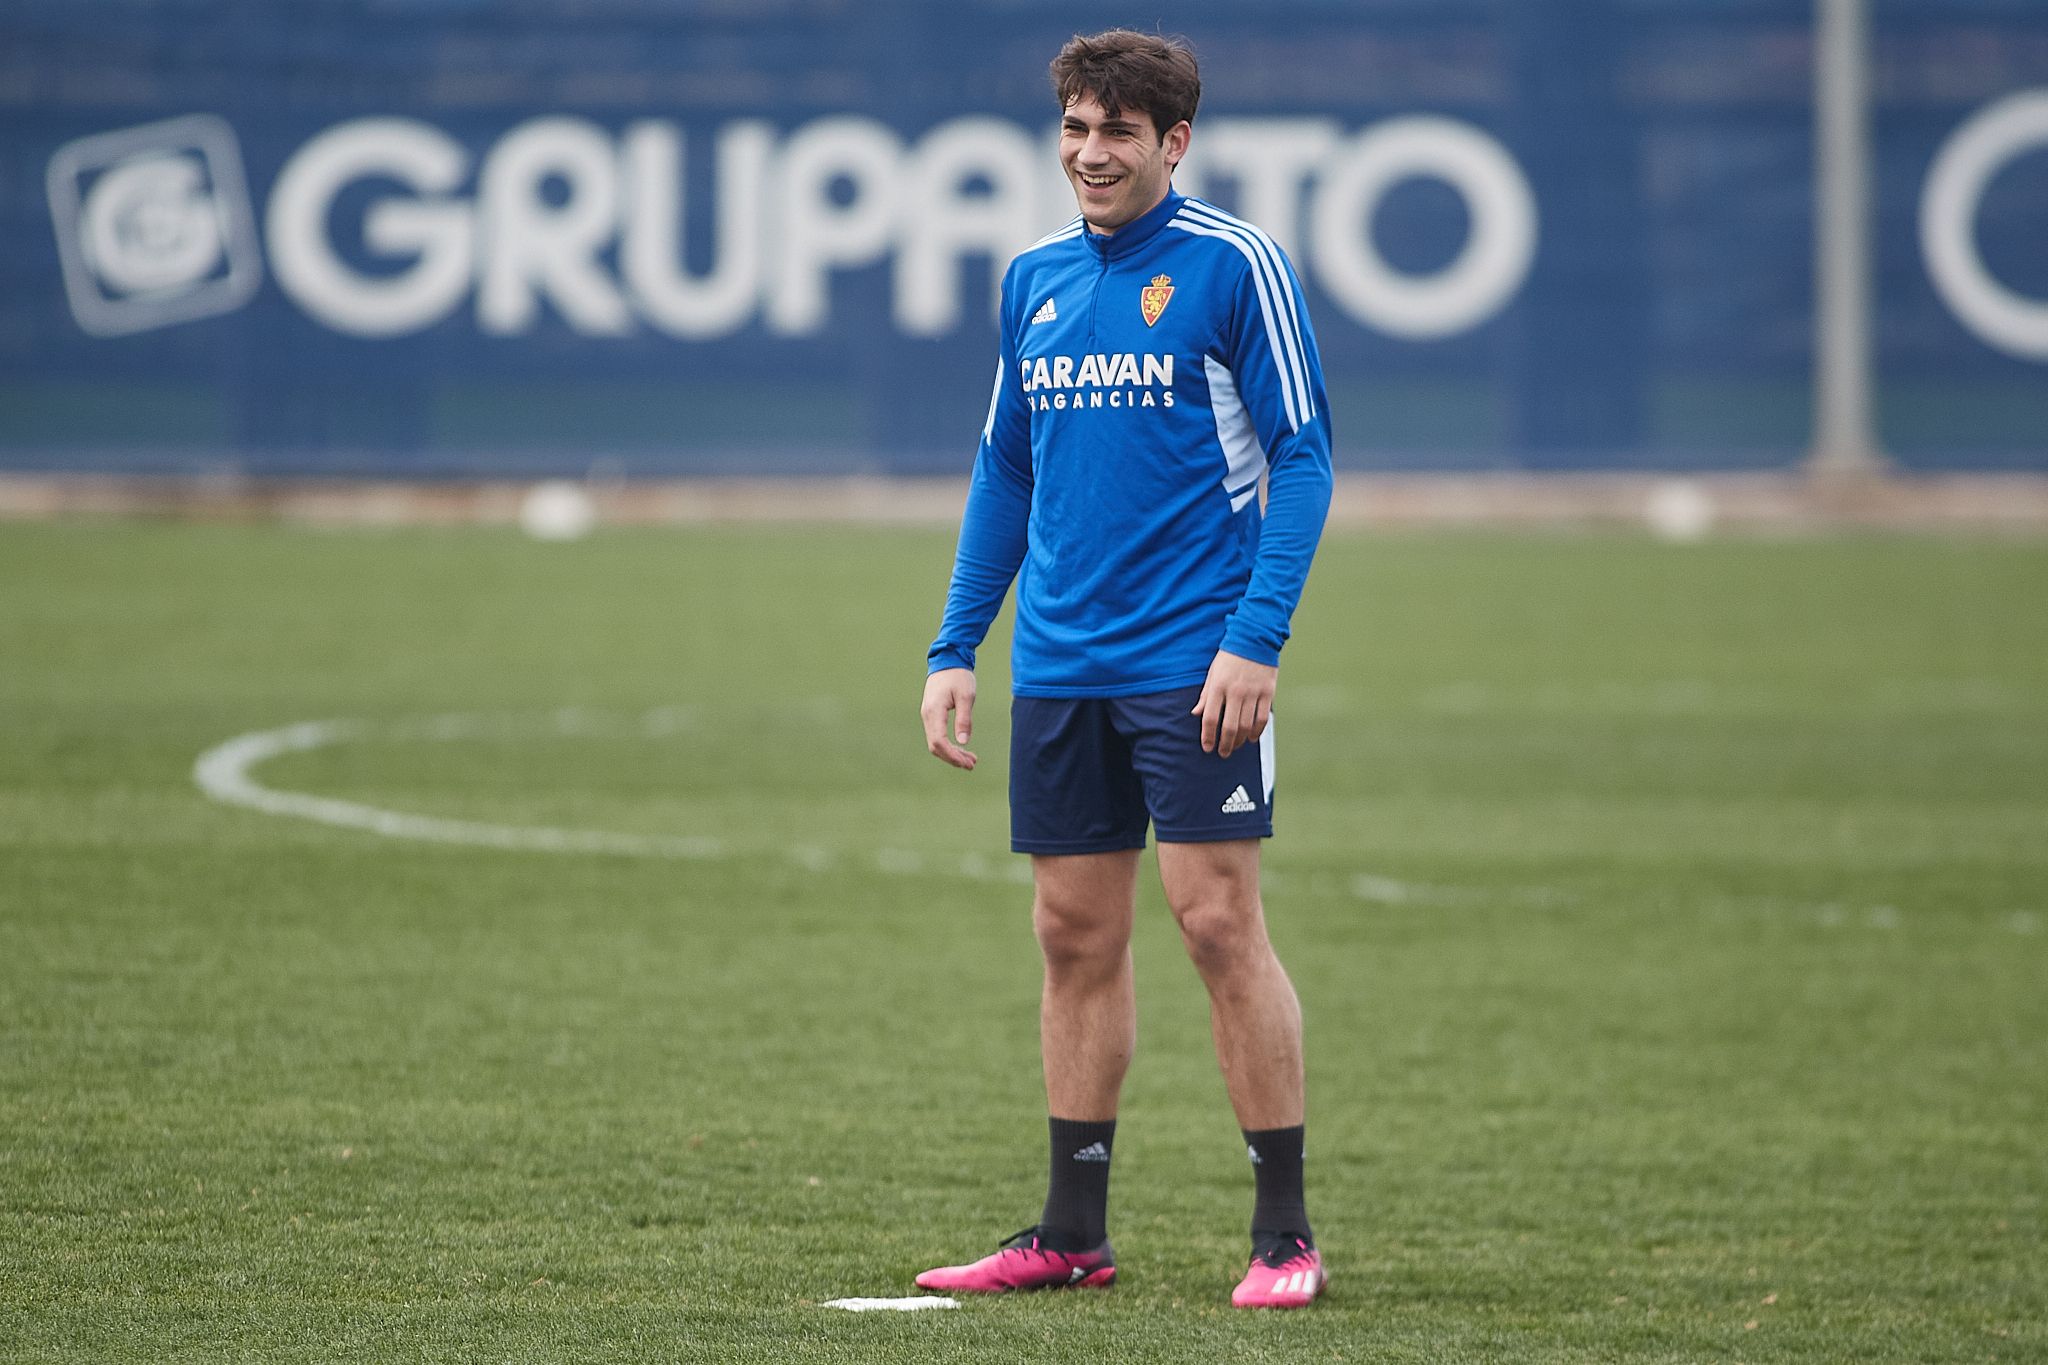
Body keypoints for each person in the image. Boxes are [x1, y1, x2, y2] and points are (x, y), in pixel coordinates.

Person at [915, 28, 1333, 1310]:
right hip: (1060, 663)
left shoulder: (1233, 265)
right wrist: (954, 647)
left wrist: (1253, 641)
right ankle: (1070, 1233)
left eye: (1116, 134)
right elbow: (1005, 470)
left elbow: (1303, 461)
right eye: (1074, 130)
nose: (1089, 155)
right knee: (1070, 934)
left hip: (1193, 661)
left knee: (1215, 925)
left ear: (1174, 143)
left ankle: (1282, 1237)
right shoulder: (1033, 278)